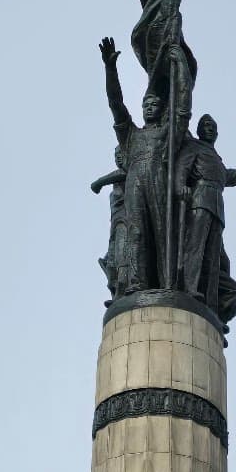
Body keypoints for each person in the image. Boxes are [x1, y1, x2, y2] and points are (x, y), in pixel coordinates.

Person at [100, 37, 172, 292]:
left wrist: (173, 61)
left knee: (161, 233)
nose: (149, 107)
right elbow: (115, 104)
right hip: (135, 184)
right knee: (136, 233)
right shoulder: (131, 135)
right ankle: (135, 282)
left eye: (154, 104)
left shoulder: (167, 133)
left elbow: (181, 105)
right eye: (145, 104)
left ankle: (167, 282)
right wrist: (110, 70)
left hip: (159, 182)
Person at [175, 114, 236, 318]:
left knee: (213, 257)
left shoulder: (215, 156)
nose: (209, 128)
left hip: (216, 204)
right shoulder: (194, 147)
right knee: (195, 248)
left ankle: (210, 302)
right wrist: (180, 185)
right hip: (199, 200)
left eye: (212, 126)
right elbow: (182, 167)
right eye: (205, 125)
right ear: (198, 130)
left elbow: (228, 176)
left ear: (217, 133)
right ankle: (189, 287)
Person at [91, 146, 129, 299]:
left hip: (126, 221)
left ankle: (122, 290)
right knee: (111, 262)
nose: (119, 157)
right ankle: (116, 294)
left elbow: (121, 173)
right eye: (116, 155)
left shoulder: (127, 174)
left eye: (122, 153)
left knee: (122, 257)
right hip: (115, 225)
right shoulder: (116, 186)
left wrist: (100, 182)